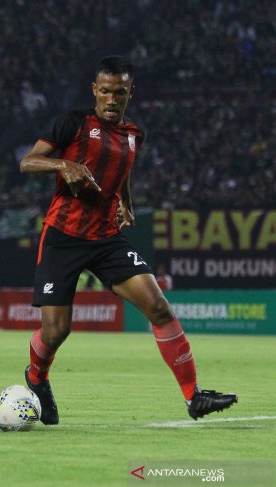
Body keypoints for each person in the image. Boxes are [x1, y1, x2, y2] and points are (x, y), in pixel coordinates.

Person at [18, 56, 237, 424]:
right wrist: (62, 164)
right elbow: (28, 161)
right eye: (104, 91)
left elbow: (123, 171)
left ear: (130, 93)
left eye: (119, 92)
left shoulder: (134, 135)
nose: (111, 98)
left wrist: (126, 203)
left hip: (106, 238)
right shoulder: (72, 123)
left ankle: (193, 396)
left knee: (159, 307)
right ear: (94, 90)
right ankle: (36, 377)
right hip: (63, 237)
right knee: (57, 331)